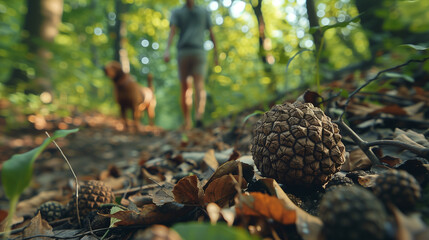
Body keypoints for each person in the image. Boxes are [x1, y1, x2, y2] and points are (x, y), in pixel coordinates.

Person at [163, 0, 218, 130]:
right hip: (190, 52)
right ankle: (193, 118)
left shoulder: (194, 11)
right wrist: (216, 54)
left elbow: (172, 32)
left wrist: (167, 50)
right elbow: (211, 33)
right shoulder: (192, 11)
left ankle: (193, 119)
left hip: (191, 51)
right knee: (192, 85)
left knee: (191, 86)